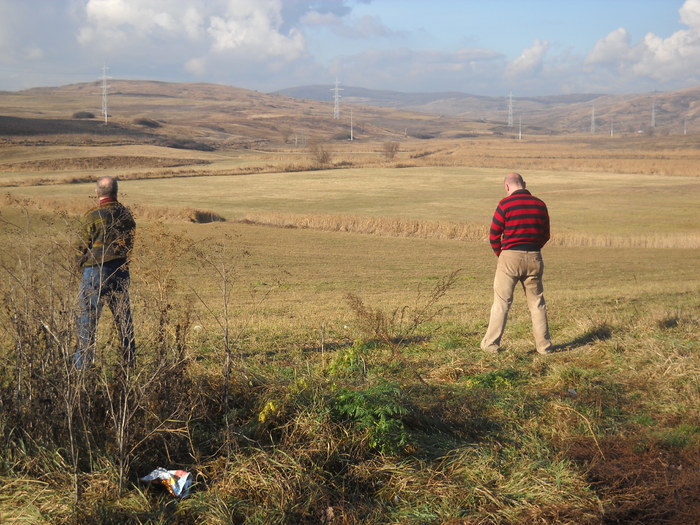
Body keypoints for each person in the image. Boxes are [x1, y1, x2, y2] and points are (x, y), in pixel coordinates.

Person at [481, 172, 553, 355]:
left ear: (506, 186)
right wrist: (534, 248)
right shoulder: (540, 204)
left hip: (510, 257)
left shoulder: (505, 204)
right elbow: (546, 235)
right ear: (524, 184)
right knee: (537, 304)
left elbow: (493, 235)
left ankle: (491, 345)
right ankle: (544, 347)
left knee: (501, 303)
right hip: (535, 256)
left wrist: (502, 254)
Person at [74, 176, 136, 368]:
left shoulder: (92, 215)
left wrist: (79, 265)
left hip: (95, 271)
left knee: (87, 319)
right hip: (120, 269)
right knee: (123, 319)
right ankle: (128, 362)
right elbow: (129, 243)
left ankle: (82, 366)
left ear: (97, 192)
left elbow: (81, 248)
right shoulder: (126, 215)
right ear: (116, 192)